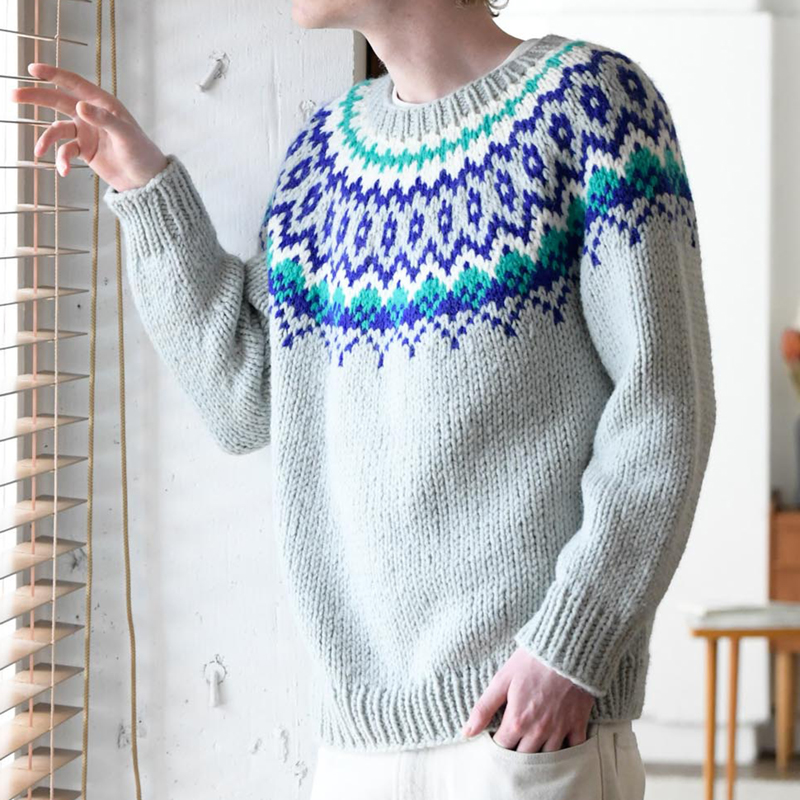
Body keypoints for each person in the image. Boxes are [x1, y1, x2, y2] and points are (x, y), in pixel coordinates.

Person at [10, 0, 717, 797]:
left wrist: (568, 650)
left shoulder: (594, 103)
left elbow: (663, 406)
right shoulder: (323, 155)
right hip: (359, 743)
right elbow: (245, 399)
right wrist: (145, 187)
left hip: (527, 725)